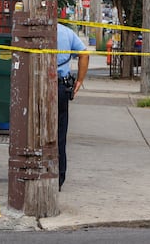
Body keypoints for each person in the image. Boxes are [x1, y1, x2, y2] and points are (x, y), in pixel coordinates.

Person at [56, 23, 89, 191]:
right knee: (60, 134)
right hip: (60, 87)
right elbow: (84, 53)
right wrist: (79, 81)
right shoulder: (66, 32)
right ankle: (58, 177)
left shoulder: (31, 28)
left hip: (36, 86)